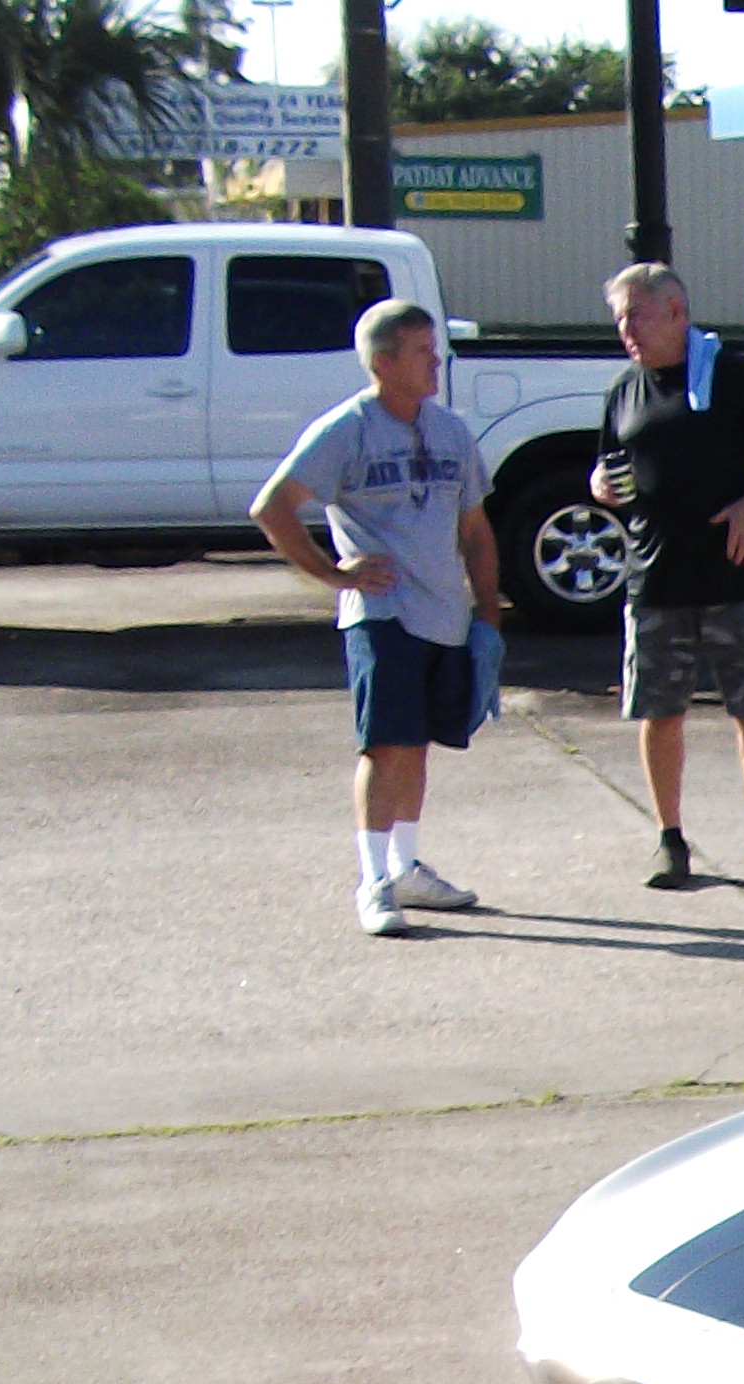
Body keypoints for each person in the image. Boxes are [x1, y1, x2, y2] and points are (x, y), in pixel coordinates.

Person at [250, 297, 503, 938]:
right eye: (422, 352)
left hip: (444, 616)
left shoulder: (450, 430)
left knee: (419, 744)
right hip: (382, 614)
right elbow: (272, 507)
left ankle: (408, 867)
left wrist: (490, 616)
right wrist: (335, 576)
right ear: (385, 363)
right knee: (385, 745)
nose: (435, 362)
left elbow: (475, 529)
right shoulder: (346, 430)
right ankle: (373, 881)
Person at [594, 263, 744, 890]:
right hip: (655, 580)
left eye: (635, 315)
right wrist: (599, 487)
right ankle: (669, 840)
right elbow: (603, 468)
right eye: (619, 319)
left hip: (735, 578)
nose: (626, 329)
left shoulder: (731, 376)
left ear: (676, 313)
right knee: (659, 714)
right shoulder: (624, 390)